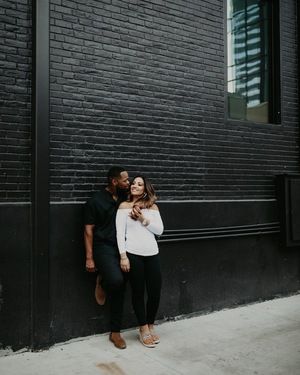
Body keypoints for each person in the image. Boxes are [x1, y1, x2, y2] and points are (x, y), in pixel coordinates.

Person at [84, 166, 130, 349]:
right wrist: (89, 258)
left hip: (122, 246)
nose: (128, 183)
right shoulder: (95, 201)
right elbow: (88, 231)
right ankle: (102, 280)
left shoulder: (123, 198)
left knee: (122, 285)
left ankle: (115, 332)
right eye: (125, 180)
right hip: (102, 247)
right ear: (114, 181)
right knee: (117, 281)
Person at [116, 176, 164, 348]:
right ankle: (143, 328)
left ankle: (151, 324)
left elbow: (160, 230)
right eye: (133, 183)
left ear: (145, 189)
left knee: (155, 292)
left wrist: (143, 219)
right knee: (138, 292)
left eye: (139, 184)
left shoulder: (152, 207)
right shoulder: (123, 207)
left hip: (152, 253)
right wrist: (123, 256)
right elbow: (119, 234)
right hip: (133, 254)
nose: (134, 186)